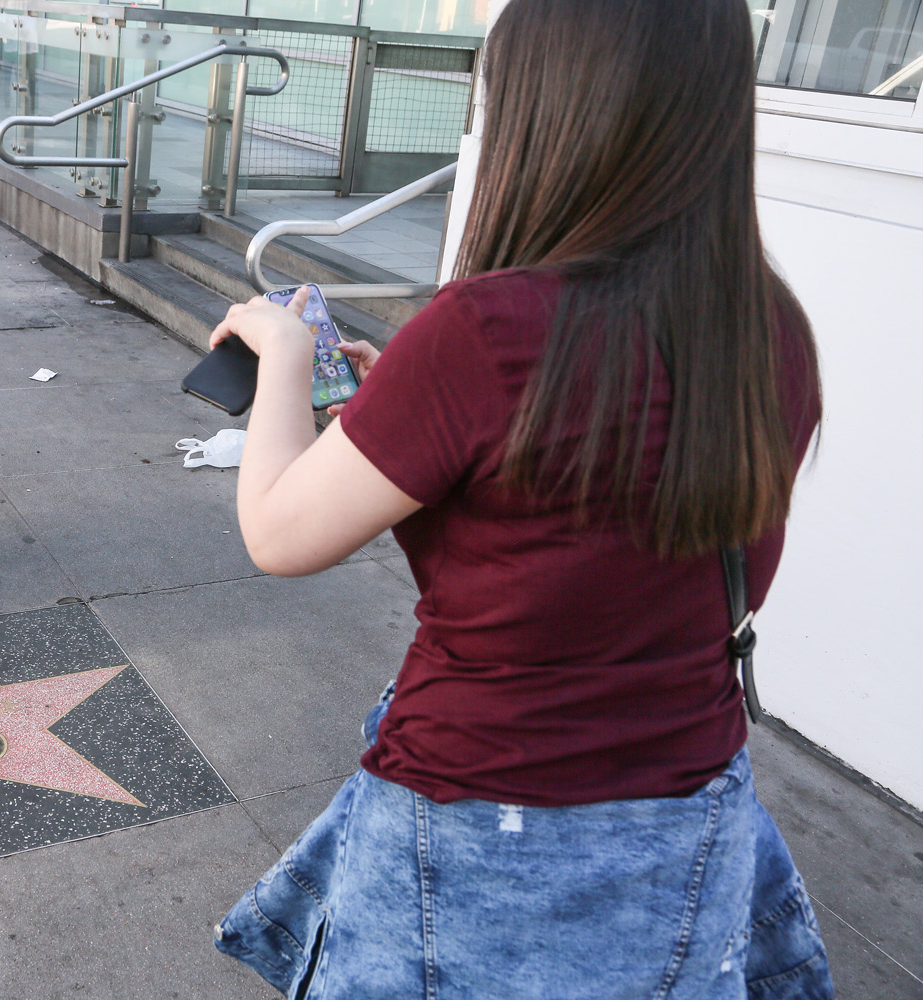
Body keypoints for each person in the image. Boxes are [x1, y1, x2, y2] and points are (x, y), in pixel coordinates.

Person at [207, 1, 833, 997]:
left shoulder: (483, 331)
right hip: (691, 815)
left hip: (478, 822)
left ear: (549, 111)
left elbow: (278, 531)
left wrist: (284, 359)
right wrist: (402, 417)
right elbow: (597, 526)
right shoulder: (772, 327)